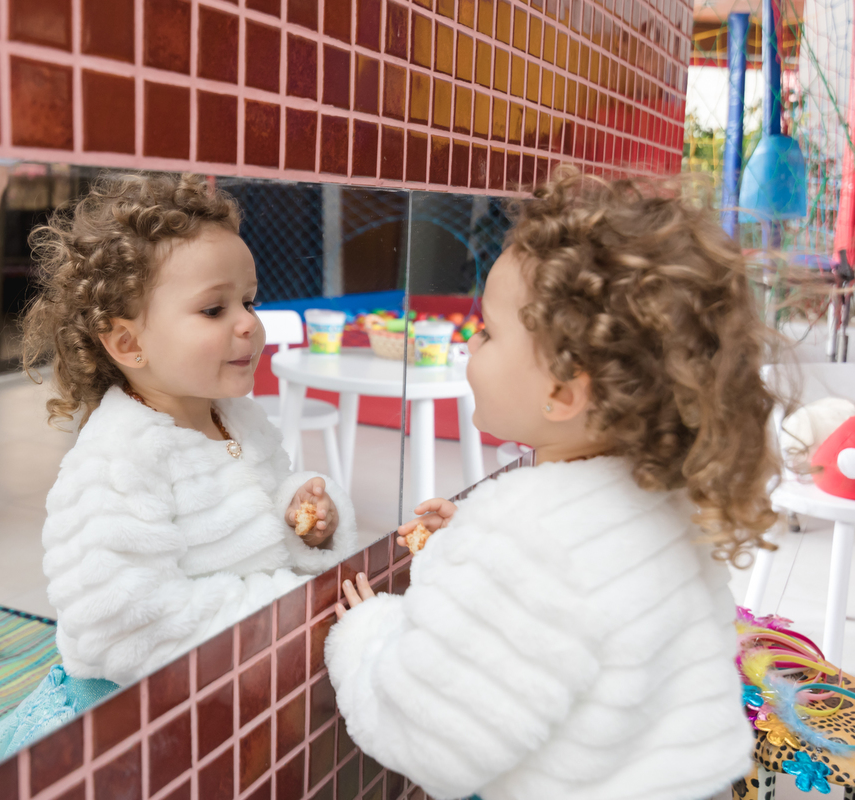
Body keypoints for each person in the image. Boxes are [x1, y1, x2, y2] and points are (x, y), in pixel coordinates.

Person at [326, 171, 777, 800]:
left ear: (563, 391)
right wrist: (471, 548)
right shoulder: (664, 497)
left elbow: (431, 739)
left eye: (485, 331)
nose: (468, 348)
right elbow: (586, 600)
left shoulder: (527, 535)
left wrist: (367, 633)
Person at [0, 173, 356, 773]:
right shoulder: (119, 459)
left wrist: (306, 524)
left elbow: (251, 512)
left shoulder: (238, 418)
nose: (249, 322)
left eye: (249, 301)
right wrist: (284, 607)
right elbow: (119, 624)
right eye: (213, 308)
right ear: (127, 342)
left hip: (228, 678)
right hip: (134, 722)